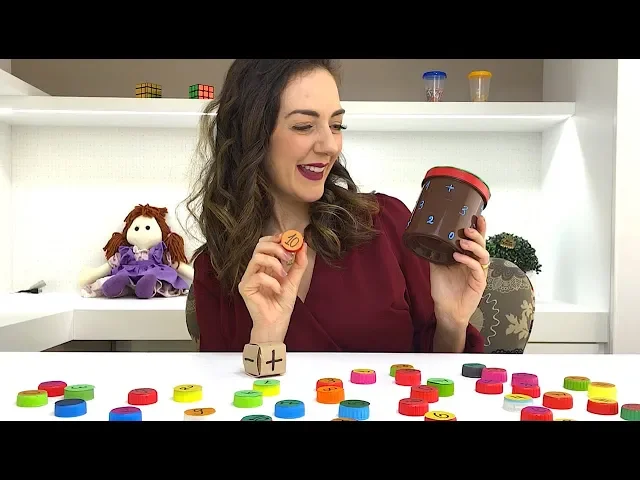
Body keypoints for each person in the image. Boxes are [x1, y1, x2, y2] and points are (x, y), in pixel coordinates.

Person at [184, 59, 489, 353]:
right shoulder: (216, 268)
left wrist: (452, 322)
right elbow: (224, 387)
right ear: (250, 135)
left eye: (336, 125)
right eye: (304, 126)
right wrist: (266, 337)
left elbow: (439, 375)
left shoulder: (387, 223)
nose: (330, 146)